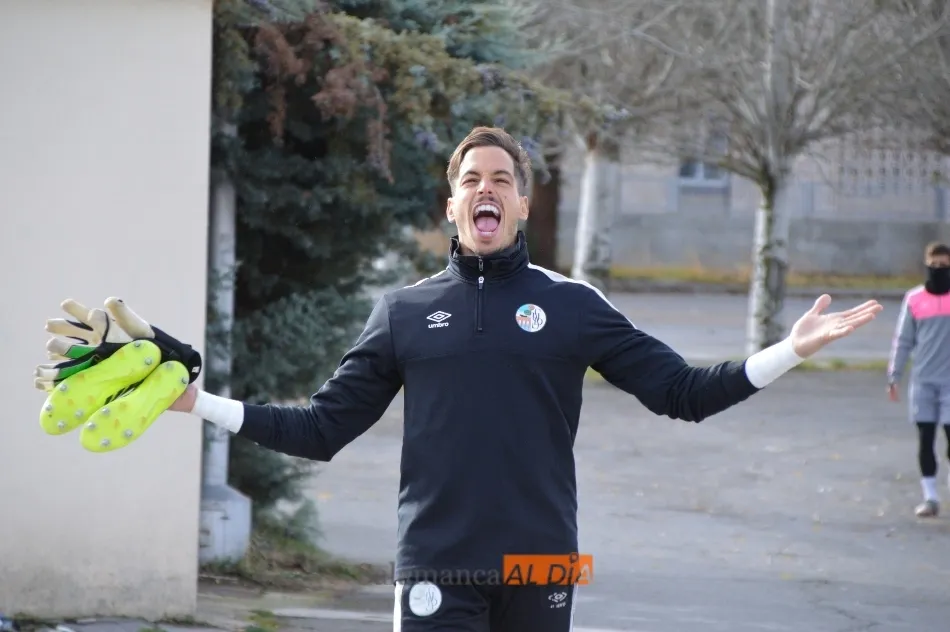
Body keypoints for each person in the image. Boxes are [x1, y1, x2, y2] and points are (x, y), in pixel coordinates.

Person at [169, 127, 882, 631]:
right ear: (452, 206)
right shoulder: (403, 313)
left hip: (539, 565)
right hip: (436, 566)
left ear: (522, 205)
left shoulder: (572, 305)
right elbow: (321, 429)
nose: (486, 189)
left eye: (501, 180)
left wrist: (787, 351)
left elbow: (683, 395)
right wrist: (198, 402)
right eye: (471, 181)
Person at [888, 241, 950, 518]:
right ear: (926, 265)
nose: (938, 269)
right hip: (923, 382)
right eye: (934, 265)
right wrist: (895, 375)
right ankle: (930, 497)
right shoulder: (914, 299)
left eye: (944, 265)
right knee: (925, 439)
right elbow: (903, 340)